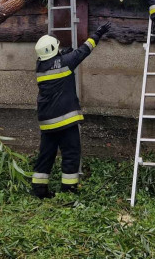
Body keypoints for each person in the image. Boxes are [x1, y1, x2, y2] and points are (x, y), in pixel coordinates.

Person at [31, 23, 111, 198]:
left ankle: (39, 189)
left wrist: (62, 54)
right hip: (65, 120)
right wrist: (98, 33)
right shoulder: (67, 62)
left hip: (47, 122)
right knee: (71, 154)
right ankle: (68, 191)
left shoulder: (39, 66)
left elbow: (54, 62)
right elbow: (85, 49)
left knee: (46, 155)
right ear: (54, 49)